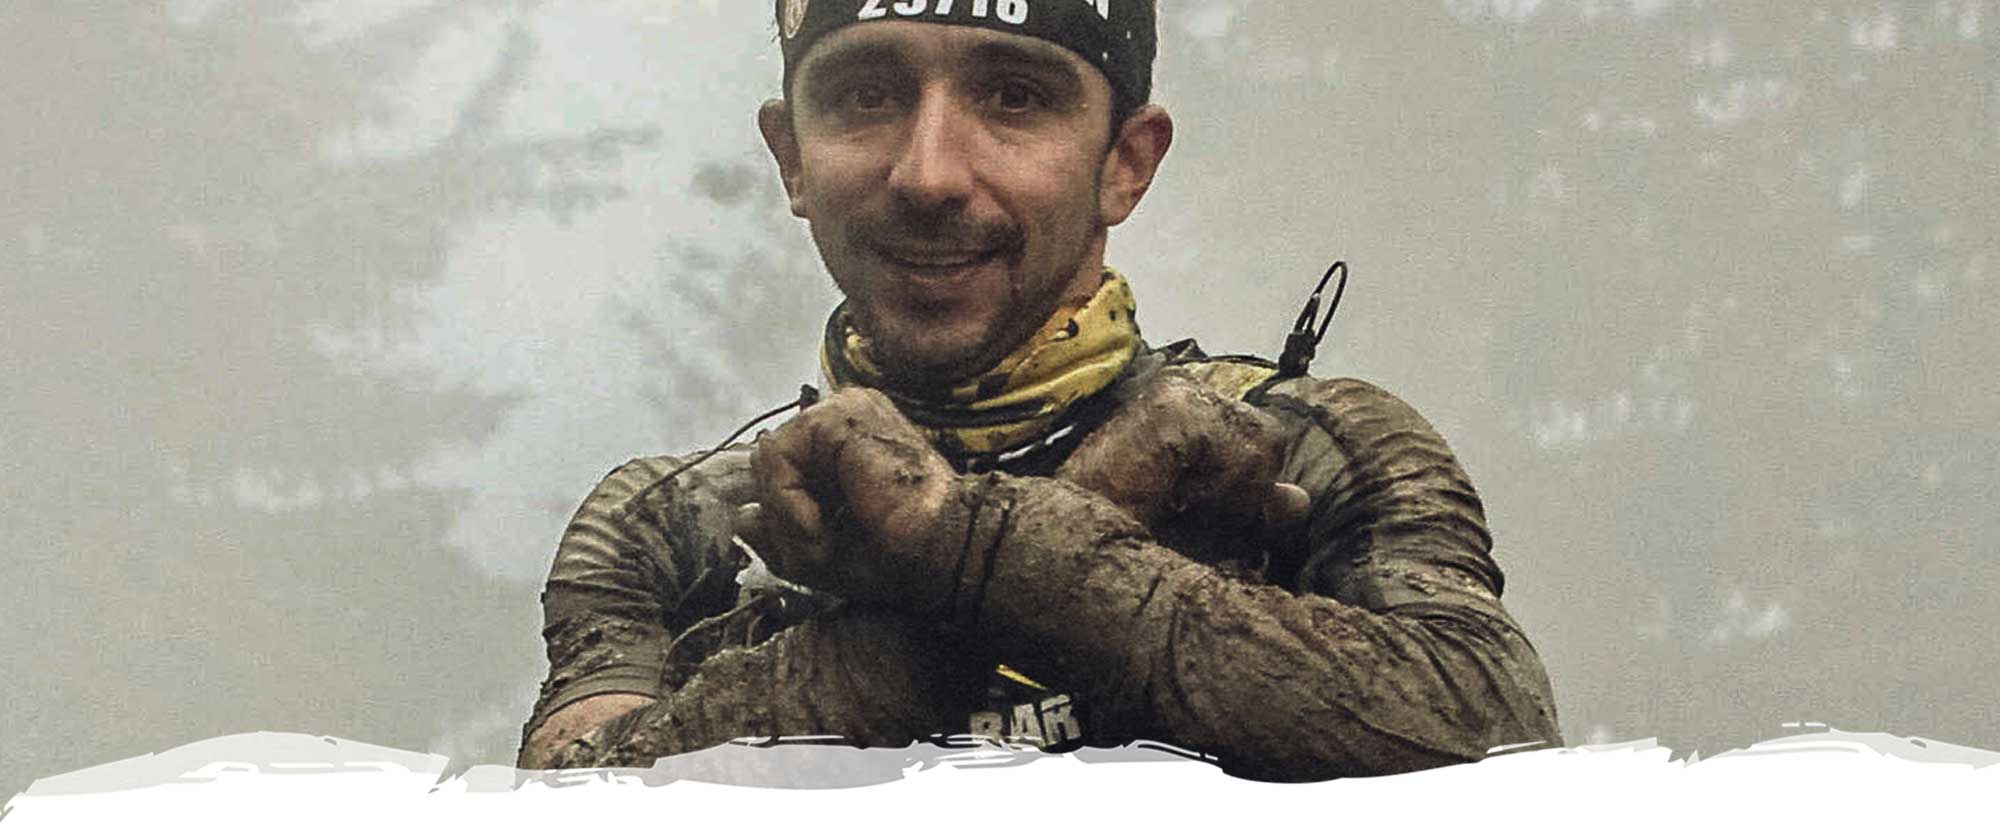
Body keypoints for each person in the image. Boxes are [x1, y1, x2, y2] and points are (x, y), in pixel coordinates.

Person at [515, 0, 1561, 782]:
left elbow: (1501, 745)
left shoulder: (1303, 444)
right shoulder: (669, 523)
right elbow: (569, 800)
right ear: (792, 157)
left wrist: (961, 547)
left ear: (1125, 163)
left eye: (1013, 97)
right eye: (866, 96)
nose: (927, 173)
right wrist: (1014, 552)